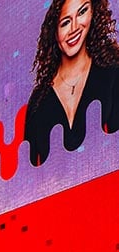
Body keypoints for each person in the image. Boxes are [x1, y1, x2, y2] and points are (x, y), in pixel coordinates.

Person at [24, 0, 119, 166]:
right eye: (65, 22)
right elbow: (29, 167)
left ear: (93, 13)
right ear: (54, 32)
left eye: (82, 12)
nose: (74, 27)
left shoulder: (113, 72)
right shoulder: (39, 100)